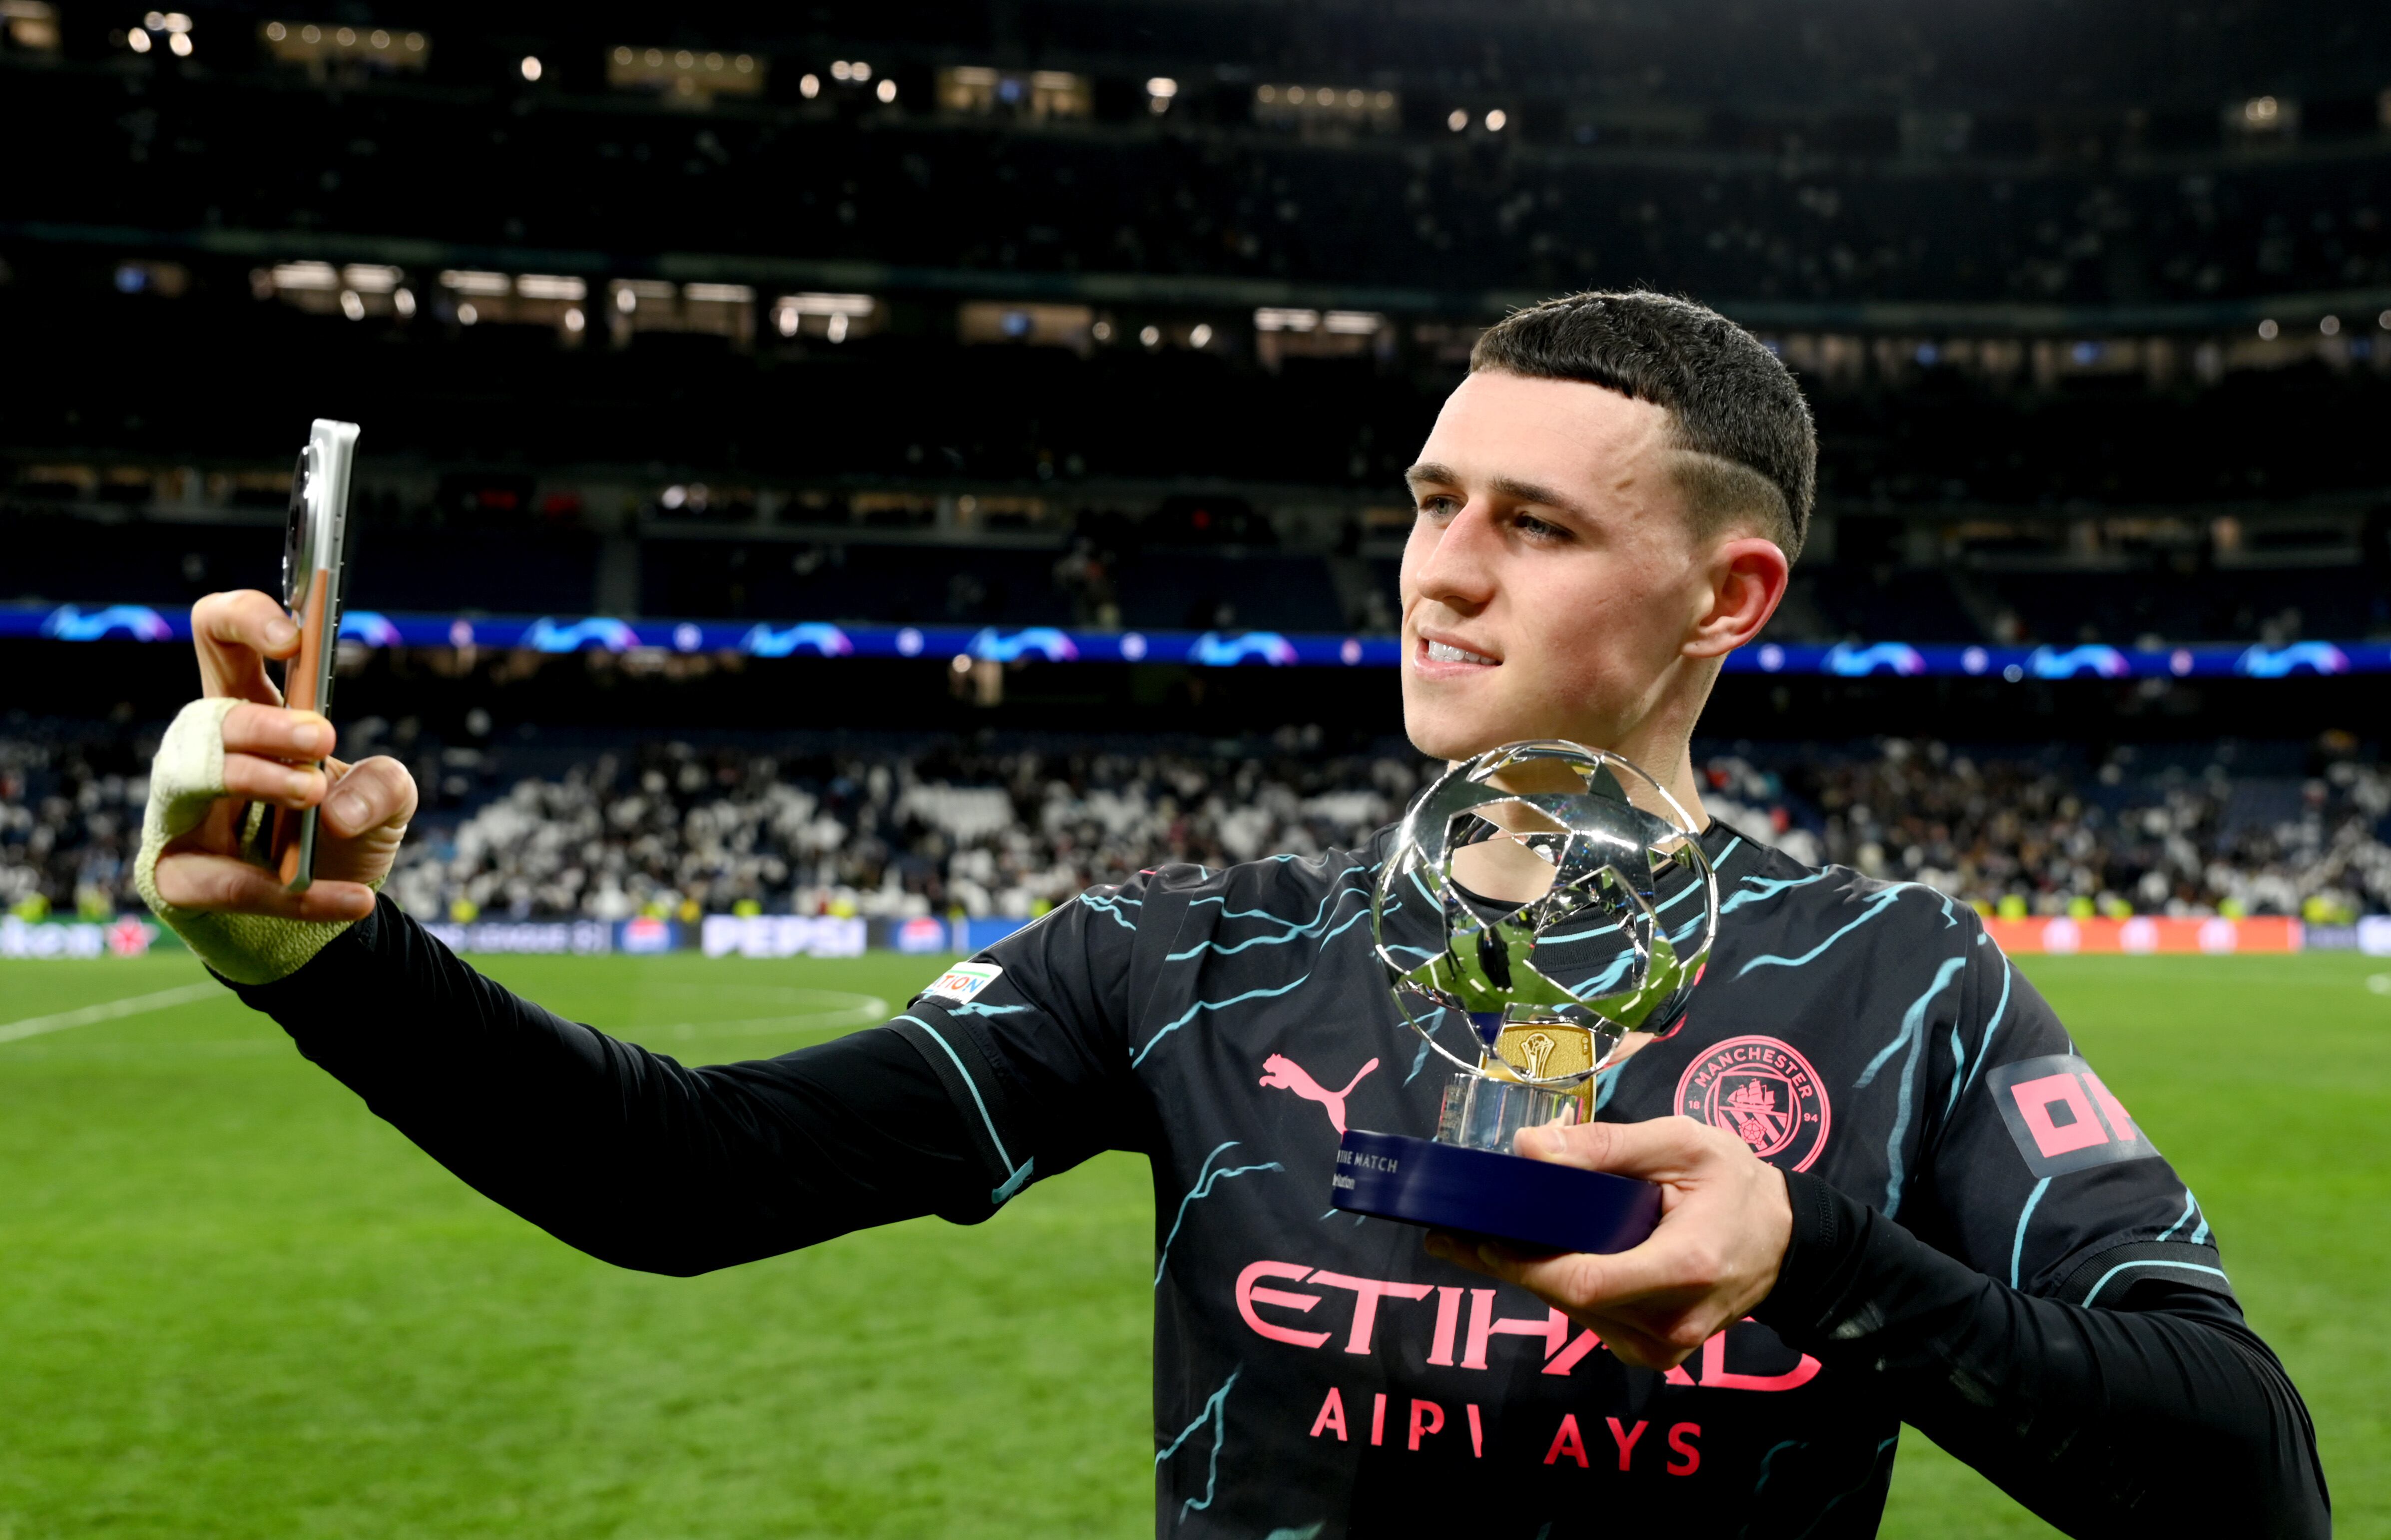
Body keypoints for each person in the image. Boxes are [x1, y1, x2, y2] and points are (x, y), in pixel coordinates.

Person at [136, 291, 2328, 1537]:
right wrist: (328, 962)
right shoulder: (1187, 957)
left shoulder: (1899, 981)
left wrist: (1828, 1258)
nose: (1440, 567)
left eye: (1535, 523)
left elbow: (2252, 1489)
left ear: (1727, 596)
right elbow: (688, 1181)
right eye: (1431, 502)